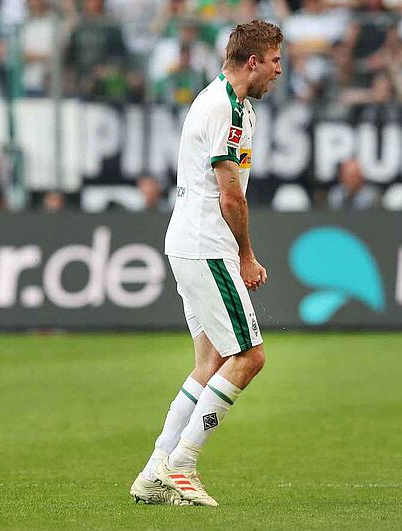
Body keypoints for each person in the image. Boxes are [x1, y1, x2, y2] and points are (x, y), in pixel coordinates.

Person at [130, 19, 283, 507]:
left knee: (211, 361)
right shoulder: (224, 108)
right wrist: (246, 255)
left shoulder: (229, 102)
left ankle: (154, 471)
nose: (279, 70)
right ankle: (182, 463)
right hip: (206, 245)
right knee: (250, 357)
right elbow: (230, 193)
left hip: (189, 242)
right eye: (275, 60)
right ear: (253, 61)